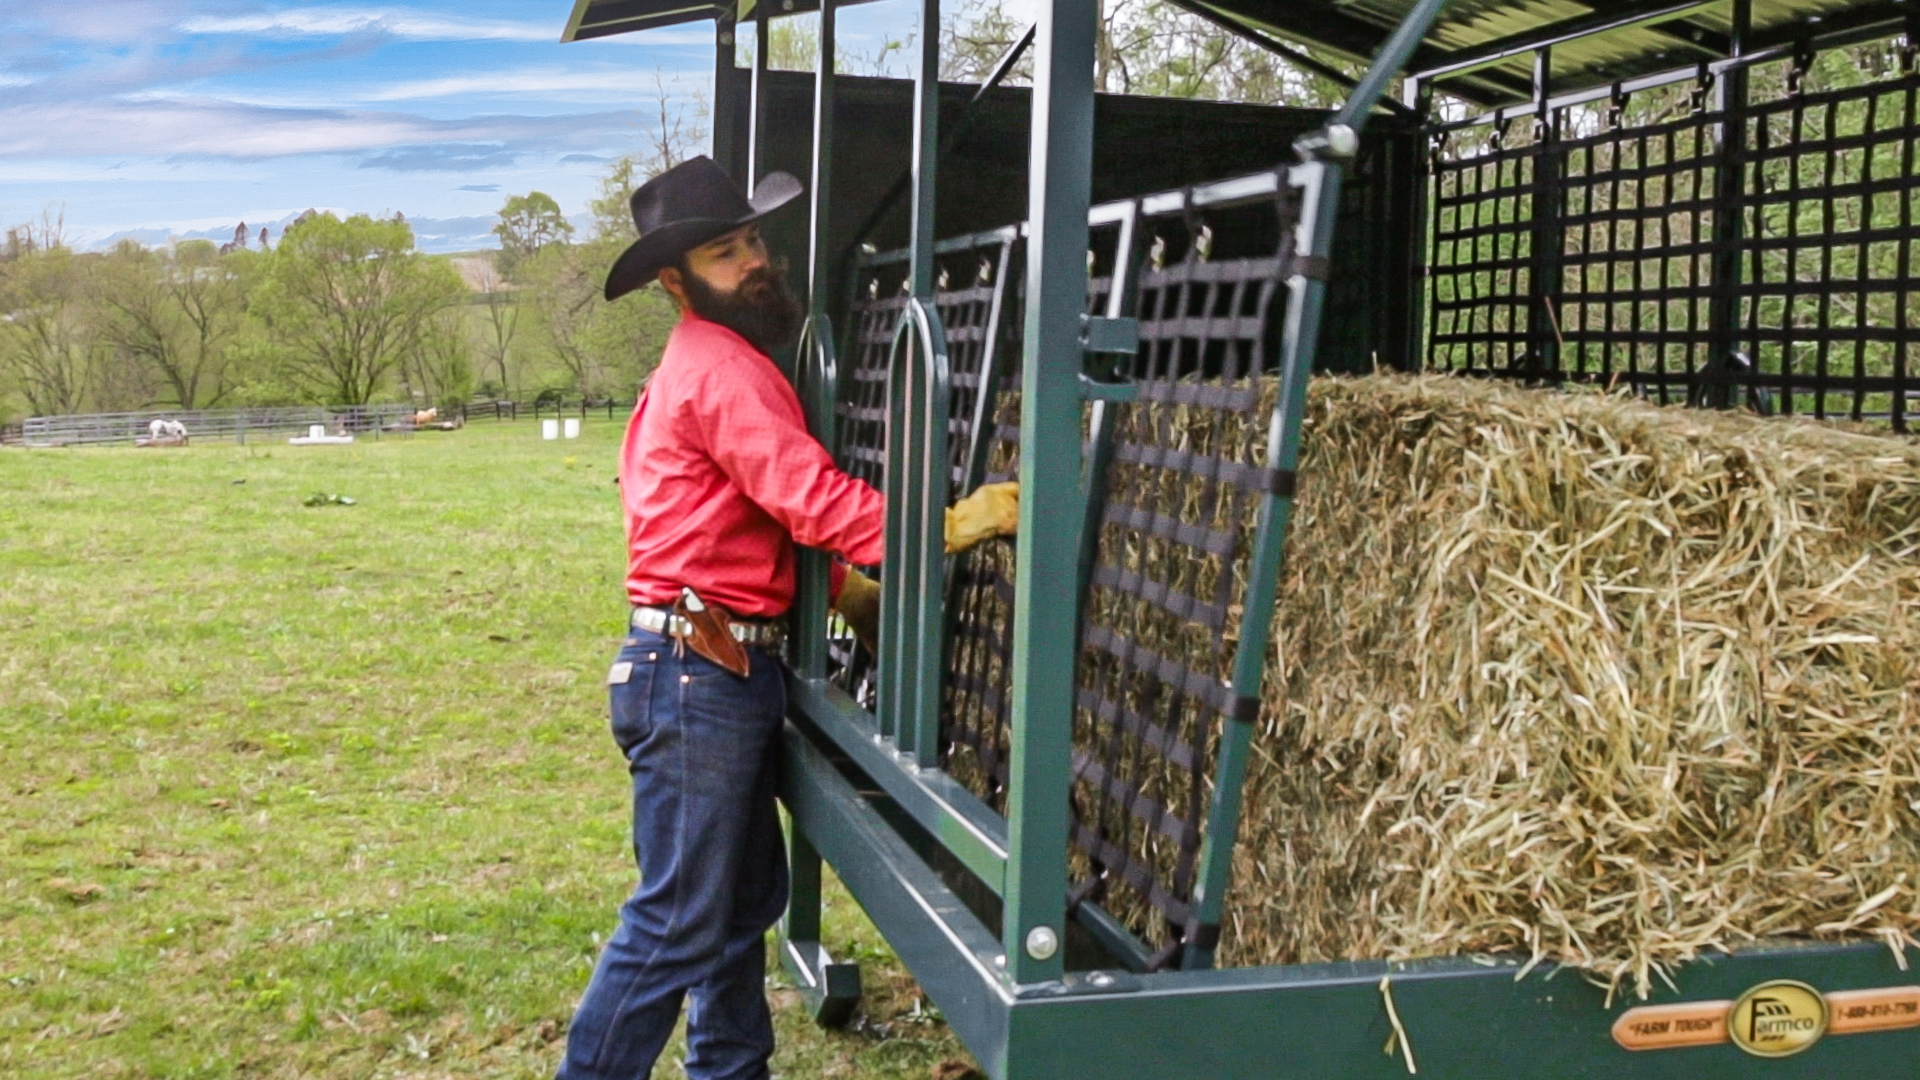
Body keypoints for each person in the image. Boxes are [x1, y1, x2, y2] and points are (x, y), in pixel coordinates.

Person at [556, 156, 1018, 1080]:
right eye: (726, 254)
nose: (754, 262)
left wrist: (842, 593)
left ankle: (730, 1072)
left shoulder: (706, 365)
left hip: (702, 665)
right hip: (698, 675)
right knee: (680, 917)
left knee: (730, 907)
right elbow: (810, 499)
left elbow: (727, 526)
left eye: (754, 239)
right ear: (674, 280)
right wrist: (947, 525)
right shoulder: (721, 369)